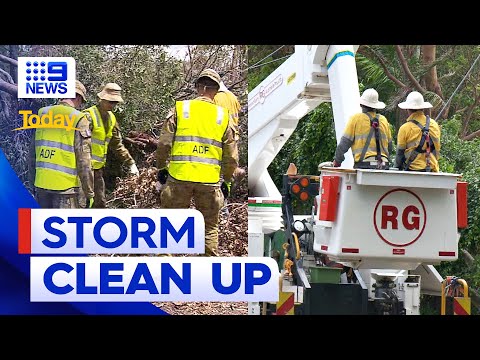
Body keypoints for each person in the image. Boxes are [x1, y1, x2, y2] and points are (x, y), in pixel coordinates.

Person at [156, 68, 239, 256]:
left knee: (170, 224)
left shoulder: (181, 109)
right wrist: (226, 180)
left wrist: (161, 168)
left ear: (198, 87)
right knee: (209, 227)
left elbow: (163, 144)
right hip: (209, 182)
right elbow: (231, 157)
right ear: (216, 91)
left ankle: (163, 272)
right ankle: (207, 274)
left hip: (179, 178)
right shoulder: (223, 116)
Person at [31, 80, 94, 208]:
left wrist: (33, 182)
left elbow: (32, 153)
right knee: (65, 227)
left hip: (41, 185)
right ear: (77, 97)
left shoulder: (42, 113)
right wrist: (89, 193)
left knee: (41, 226)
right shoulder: (79, 118)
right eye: (81, 101)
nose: (80, 105)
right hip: (66, 189)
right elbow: (84, 161)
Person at [82, 83, 139, 208]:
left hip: (97, 170)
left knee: (100, 204)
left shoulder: (112, 119)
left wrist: (130, 163)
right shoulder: (88, 116)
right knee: (82, 204)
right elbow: (77, 143)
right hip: (83, 170)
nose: (112, 105)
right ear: (102, 99)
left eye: (115, 103)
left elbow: (117, 144)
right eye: (110, 101)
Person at [332, 88, 393, 170]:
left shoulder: (356, 119)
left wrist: (337, 161)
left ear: (361, 104)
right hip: (383, 164)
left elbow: (344, 143)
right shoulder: (383, 120)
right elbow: (389, 146)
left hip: (364, 165)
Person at [394, 91, 441, 172]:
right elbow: (436, 150)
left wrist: (396, 169)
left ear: (407, 109)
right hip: (432, 170)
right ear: (422, 108)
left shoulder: (405, 128)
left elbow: (399, 154)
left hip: (413, 170)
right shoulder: (434, 124)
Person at [214, 76, 245, 182]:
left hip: (221, 136)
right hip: (234, 137)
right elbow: (238, 113)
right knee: (230, 166)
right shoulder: (233, 97)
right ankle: (231, 180)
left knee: (219, 169)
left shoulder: (215, 97)